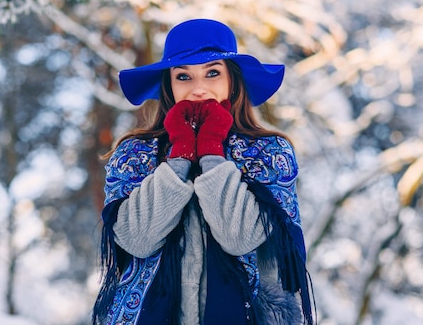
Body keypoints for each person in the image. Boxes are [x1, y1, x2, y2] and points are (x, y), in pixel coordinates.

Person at [92, 19, 313, 325]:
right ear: (169, 85)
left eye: (212, 73)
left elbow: (240, 237)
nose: (198, 89)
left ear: (232, 80)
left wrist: (211, 150)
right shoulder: (134, 154)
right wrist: (179, 156)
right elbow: (137, 239)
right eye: (183, 76)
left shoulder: (269, 153)